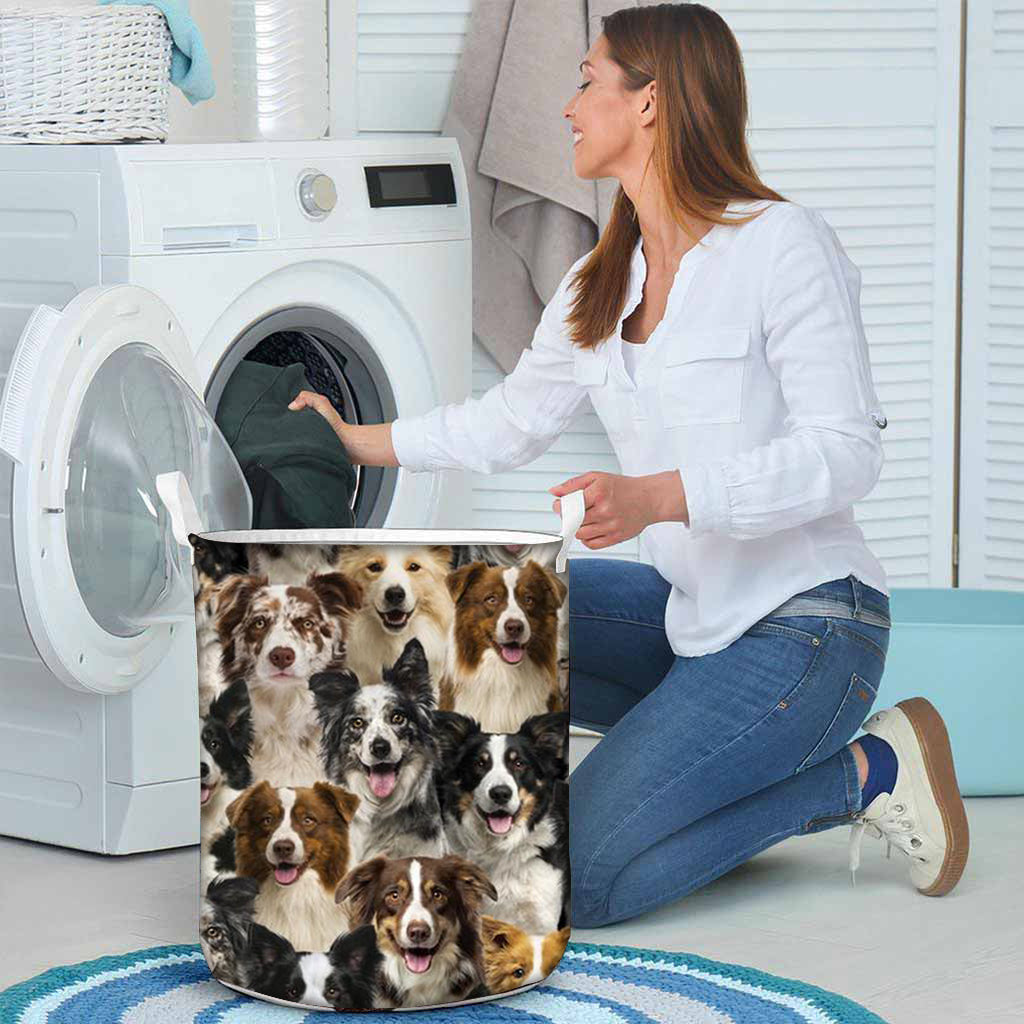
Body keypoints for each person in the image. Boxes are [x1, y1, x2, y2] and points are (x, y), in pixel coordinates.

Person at [289, 2, 969, 928]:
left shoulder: (780, 244)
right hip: (695, 621)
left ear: (649, 103)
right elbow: (510, 423)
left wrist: (662, 498)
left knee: (583, 881)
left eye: (586, 81)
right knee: (453, 613)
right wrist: (360, 439)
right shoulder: (599, 280)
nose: (567, 106)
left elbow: (847, 454)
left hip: (811, 629)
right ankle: (612, 778)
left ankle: (866, 774)